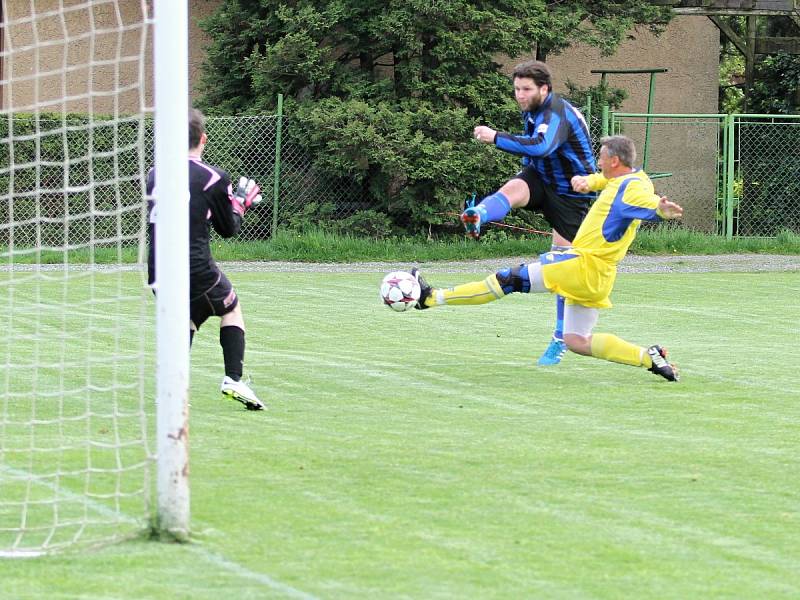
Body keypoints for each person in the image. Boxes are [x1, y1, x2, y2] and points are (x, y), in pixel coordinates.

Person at [413, 135, 682, 381]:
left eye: (600, 157)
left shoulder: (634, 188)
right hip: (598, 275)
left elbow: (645, 202)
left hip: (582, 264)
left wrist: (659, 210)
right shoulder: (631, 177)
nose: (597, 161)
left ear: (613, 161)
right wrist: (589, 181)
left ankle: (430, 297)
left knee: (509, 279)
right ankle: (649, 357)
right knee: (577, 340)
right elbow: (608, 181)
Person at [466, 59, 597, 366]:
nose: (520, 95)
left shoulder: (556, 113)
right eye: (516, 89)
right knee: (513, 188)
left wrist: (495, 137)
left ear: (544, 88)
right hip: (542, 178)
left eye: (526, 89)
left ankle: (560, 339)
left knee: (564, 268)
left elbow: (541, 147)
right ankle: (479, 214)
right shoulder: (534, 109)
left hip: (571, 192)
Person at [147, 109, 265, 410]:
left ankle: (172, 386)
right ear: (203, 139)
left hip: (158, 269)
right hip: (194, 266)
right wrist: (240, 204)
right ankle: (233, 379)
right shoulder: (213, 177)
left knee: (188, 316)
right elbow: (228, 229)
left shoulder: (155, 174)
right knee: (231, 308)